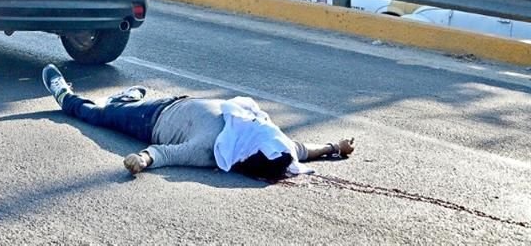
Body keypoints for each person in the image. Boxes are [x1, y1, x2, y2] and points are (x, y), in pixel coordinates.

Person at [41, 64, 355, 179]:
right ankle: (127, 98)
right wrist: (334, 147)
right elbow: (303, 149)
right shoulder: (273, 143)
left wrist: (142, 160)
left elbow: (166, 153)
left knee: (99, 115)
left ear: (250, 150)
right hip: (180, 101)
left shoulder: (212, 149)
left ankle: (65, 95)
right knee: (123, 104)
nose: (264, 123)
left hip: (151, 120)